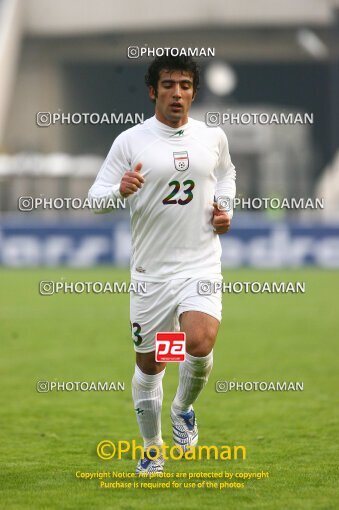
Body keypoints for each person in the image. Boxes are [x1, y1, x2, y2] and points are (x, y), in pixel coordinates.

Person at [88, 55, 236, 474]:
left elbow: (226, 175)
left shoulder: (213, 137)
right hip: (151, 274)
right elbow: (93, 200)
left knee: (200, 341)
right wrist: (119, 189)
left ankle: (183, 408)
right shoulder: (130, 141)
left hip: (201, 264)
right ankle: (152, 448)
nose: (177, 93)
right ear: (153, 91)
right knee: (152, 364)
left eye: (185, 85)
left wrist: (225, 208)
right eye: (168, 85)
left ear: (194, 92)